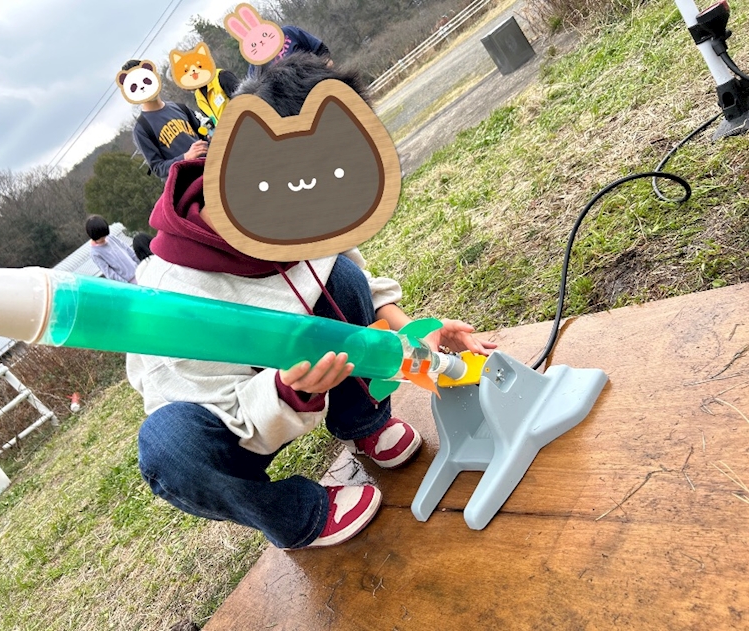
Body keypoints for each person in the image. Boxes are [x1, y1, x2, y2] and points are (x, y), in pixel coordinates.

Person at [127, 55, 496, 550]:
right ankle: (298, 516)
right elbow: (214, 405)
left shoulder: (299, 202)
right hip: (231, 413)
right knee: (169, 448)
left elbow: (356, 281)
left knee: (340, 276)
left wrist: (415, 329)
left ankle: (364, 422)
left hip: (300, 351)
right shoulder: (172, 291)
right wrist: (285, 393)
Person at [120, 59, 209, 181]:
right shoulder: (142, 128)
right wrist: (185, 157)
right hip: (190, 183)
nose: (143, 86)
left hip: (211, 168)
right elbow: (158, 168)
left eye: (146, 79)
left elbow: (204, 135)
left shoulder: (180, 107)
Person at [246, 25, 331, 78]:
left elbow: (319, 48)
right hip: (287, 98)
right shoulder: (256, 62)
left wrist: (326, 63)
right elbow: (253, 90)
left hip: (313, 78)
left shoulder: (288, 32)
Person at [85, 216, 140, 284]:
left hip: (139, 270)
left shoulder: (111, 237)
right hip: (129, 281)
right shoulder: (95, 253)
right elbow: (109, 272)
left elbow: (128, 249)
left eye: (104, 236)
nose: (104, 238)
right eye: (101, 237)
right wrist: (126, 284)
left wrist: (140, 263)